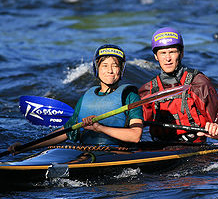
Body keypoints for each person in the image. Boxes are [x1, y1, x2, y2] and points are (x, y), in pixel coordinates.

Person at [8, 44, 143, 154]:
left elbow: (135, 136)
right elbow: (65, 132)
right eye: (105, 65)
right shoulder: (86, 97)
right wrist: (27, 147)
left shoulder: (130, 96)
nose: (110, 71)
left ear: (121, 70)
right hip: (87, 153)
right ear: (97, 69)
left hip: (120, 153)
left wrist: (100, 128)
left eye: (115, 65)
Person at [138, 27, 218, 143]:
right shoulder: (148, 90)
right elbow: (134, 125)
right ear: (156, 56)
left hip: (194, 148)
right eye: (163, 53)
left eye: (172, 52)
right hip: (159, 147)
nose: (168, 58)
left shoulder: (198, 84)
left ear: (181, 53)